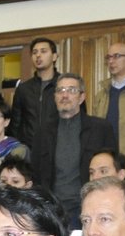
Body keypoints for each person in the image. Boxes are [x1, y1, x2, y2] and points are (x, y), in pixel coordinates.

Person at [33, 72, 116, 227]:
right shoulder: (42, 132)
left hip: (89, 207)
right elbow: (36, 174)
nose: (65, 95)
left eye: (71, 90)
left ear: (82, 97)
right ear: (55, 97)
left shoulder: (101, 128)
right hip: (52, 209)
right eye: (60, 90)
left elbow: (112, 171)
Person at [9, 36, 60, 148]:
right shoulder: (23, 89)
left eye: (43, 51)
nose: (38, 55)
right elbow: (15, 126)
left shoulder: (65, 86)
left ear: (54, 56)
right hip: (29, 152)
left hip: (59, 150)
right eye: (34, 52)